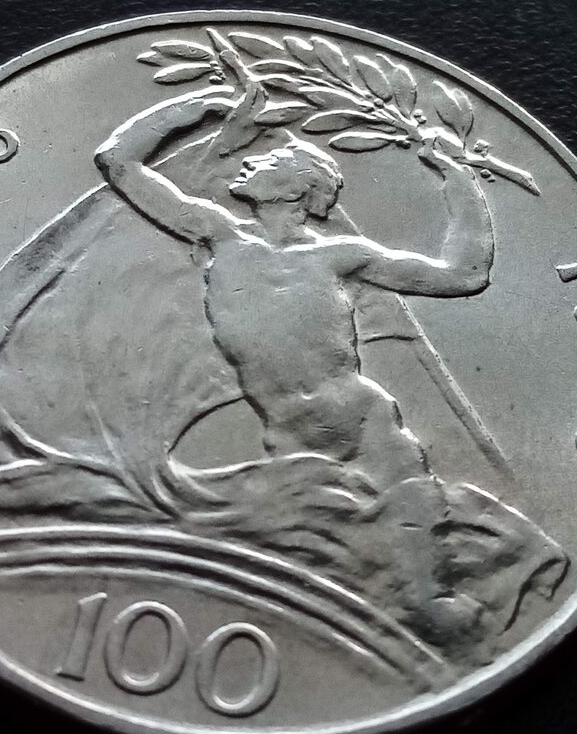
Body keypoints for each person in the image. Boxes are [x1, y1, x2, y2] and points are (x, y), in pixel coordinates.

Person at [95, 88, 495, 497]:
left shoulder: (340, 256)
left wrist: (458, 179)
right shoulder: (218, 234)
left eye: (271, 161)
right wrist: (202, 106)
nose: (251, 160)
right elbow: (116, 161)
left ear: (292, 191)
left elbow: (465, 276)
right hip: (286, 434)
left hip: (361, 422)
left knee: (426, 519)